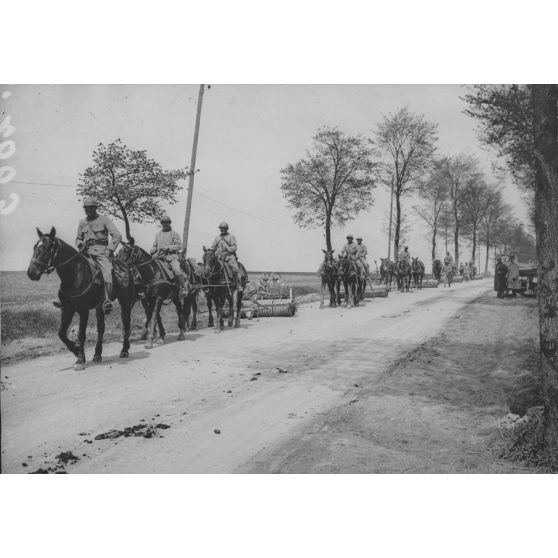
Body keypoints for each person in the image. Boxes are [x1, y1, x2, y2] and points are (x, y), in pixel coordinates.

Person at [76, 198, 122, 314]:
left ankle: (107, 300)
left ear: (95, 208)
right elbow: (78, 238)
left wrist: (110, 249)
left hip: (101, 253)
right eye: (86, 208)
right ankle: (68, 299)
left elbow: (117, 235)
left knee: (107, 273)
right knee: (71, 270)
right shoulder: (82, 222)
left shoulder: (104, 220)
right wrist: (80, 244)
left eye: (91, 208)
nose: (88, 210)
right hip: (86, 252)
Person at [150, 215, 188, 297]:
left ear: (169, 223)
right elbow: (154, 245)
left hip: (171, 257)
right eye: (163, 223)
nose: (165, 224)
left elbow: (178, 246)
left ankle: (183, 288)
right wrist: (153, 250)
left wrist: (168, 248)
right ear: (161, 224)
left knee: (177, 270)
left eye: (167, 223)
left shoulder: (174, 234)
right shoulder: (158, 235)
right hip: (159, 257)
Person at [210, 221, 243, 292]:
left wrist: (227, 248)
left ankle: (239, 285)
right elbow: (213, 247)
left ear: (226, 229)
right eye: (221, 228)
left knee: (235, 269)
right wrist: (209, 250)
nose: (222, 229)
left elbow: (234, 248)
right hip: (219, 258)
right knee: (210, 268)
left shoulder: (231, 237)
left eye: (223, 228)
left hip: (229, 257)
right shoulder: (217, 238)